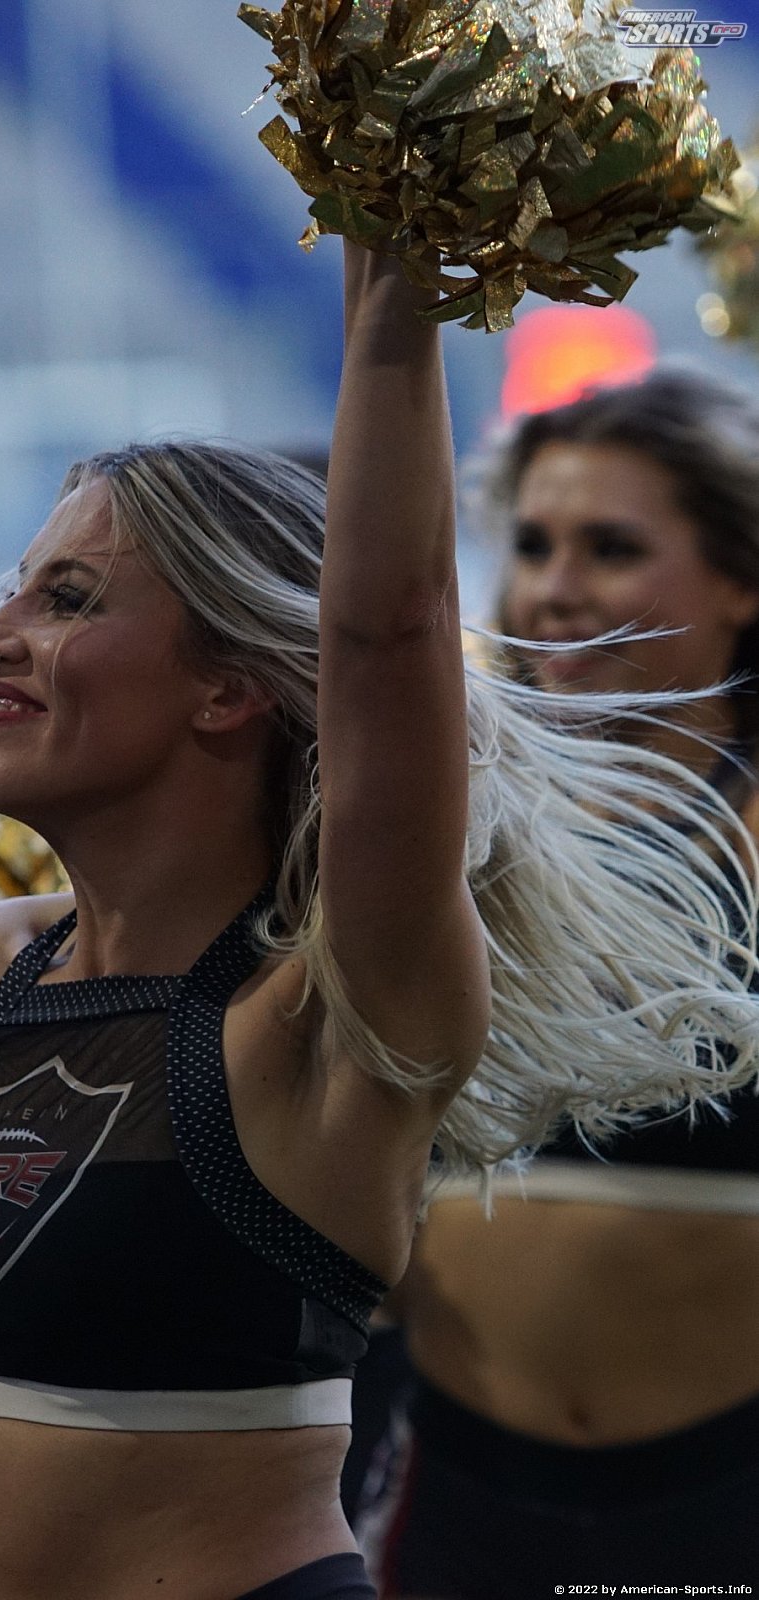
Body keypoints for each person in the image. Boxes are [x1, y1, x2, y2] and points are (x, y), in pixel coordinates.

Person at [0, 248, 758, 1600]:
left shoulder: (333, 1003)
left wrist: (390, 267)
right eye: (16, 585)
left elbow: (386, 634)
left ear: (229, 685)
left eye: (67, 600)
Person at [361, 368, 759, 1598]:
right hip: (460, 1492)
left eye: (611, 547)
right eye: (531, 544)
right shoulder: (448, 835)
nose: (555, 588)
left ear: (741, 579)